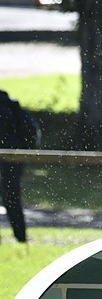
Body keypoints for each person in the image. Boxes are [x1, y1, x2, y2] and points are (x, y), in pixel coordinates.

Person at [0, 90, 40, 244]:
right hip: (15, 159)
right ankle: (20, 236)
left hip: (7, 159)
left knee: (10, 197)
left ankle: (20, 237)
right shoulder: (11, 106)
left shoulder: (4, 109)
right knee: (12, 198)